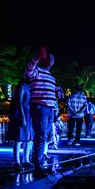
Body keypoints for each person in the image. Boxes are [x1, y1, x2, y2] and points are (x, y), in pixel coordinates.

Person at [25, 47, 57, 178]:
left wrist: (54, 111)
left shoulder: (52, 77)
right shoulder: (37, 71)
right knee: (40, 135)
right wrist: (36, 58)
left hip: (49, 110)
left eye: (53, 59)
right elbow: (28, 71)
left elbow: (53, 96)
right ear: (44, 59)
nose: (51, 60)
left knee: (45, 136)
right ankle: (38, 166)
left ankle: (39, 163)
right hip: (40, 107)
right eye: (49, 57)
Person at [6, 79, 33, 172]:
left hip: (29, 115)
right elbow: (19, 102)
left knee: (28, 139)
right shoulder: (22, 87)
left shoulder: (31, 87)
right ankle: (16, 162)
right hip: (22, 114)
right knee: (19, 138)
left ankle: (26, 160)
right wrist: (22, 116)